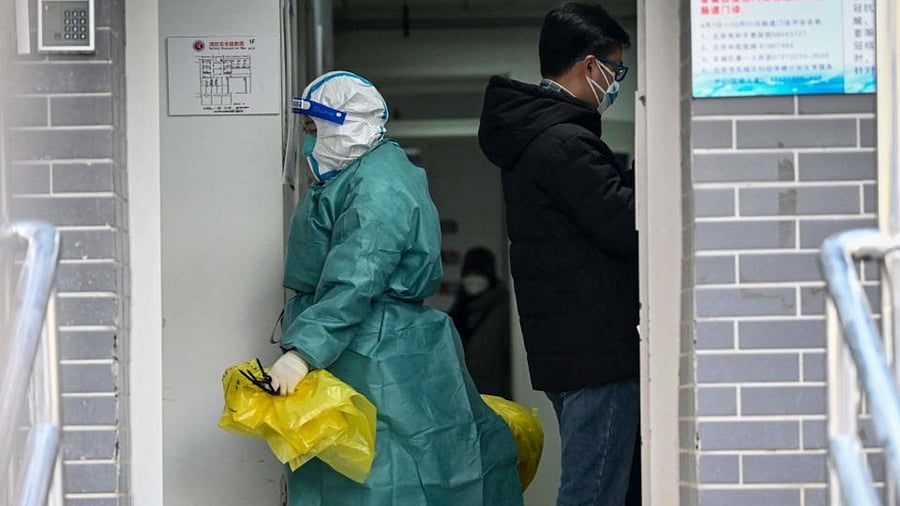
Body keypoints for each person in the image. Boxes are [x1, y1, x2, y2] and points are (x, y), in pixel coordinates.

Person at [266, 71, 523, 506]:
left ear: (344, 124)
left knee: (380, 481)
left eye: (314, 129)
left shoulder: (377, 186)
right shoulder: (366, 175)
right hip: (372, 344)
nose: (309, 141)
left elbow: (359, 274)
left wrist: (303, 351)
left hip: (373, 350)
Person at [478, 3, 640, 506]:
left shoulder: (537, 137)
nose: (616, 82)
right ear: (591, 66)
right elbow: (626, 227)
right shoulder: (565, 143)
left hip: (569, 350)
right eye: (616, 69)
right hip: (597, 355)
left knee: (606, 485)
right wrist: (646, 173)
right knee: (593, 493)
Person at [448, 247, 512, 399]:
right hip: (461, 398)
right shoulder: (459, 311)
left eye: (479, 273)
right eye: (469, 273)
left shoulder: (503, 312)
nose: (473, 279)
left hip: (494, 399)